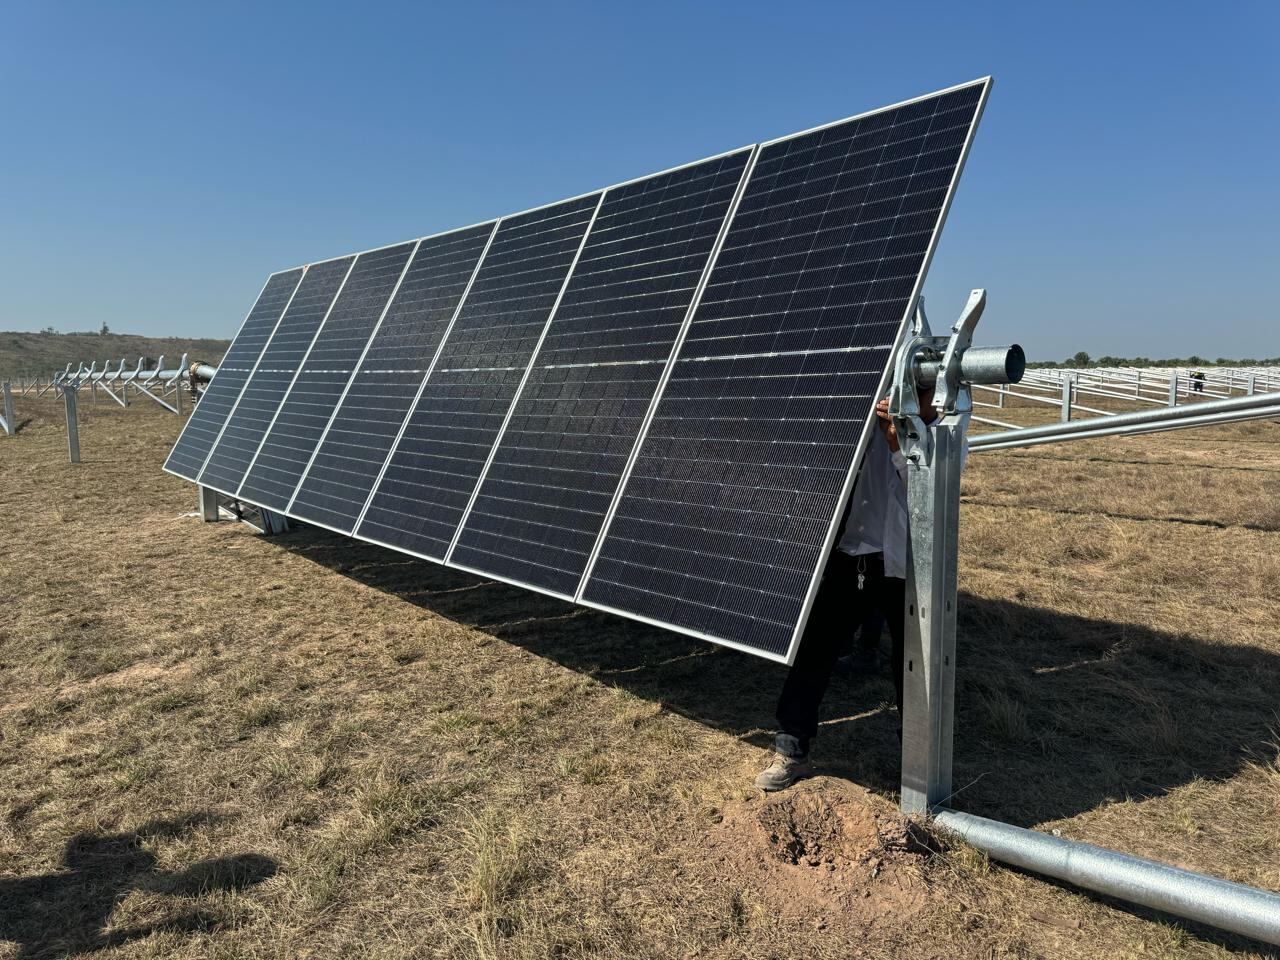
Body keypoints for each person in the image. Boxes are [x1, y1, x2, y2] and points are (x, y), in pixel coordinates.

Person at [755, 385, 953, 792]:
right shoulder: (866, 412)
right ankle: (791, 747)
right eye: (912, 388)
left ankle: (915, 764)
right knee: (814, 650)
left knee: (913, 666)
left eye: (925, 392)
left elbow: (935, 489)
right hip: (854, 555)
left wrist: (900, 446)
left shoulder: (949, 428)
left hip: (910, 564)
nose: (915, 398)